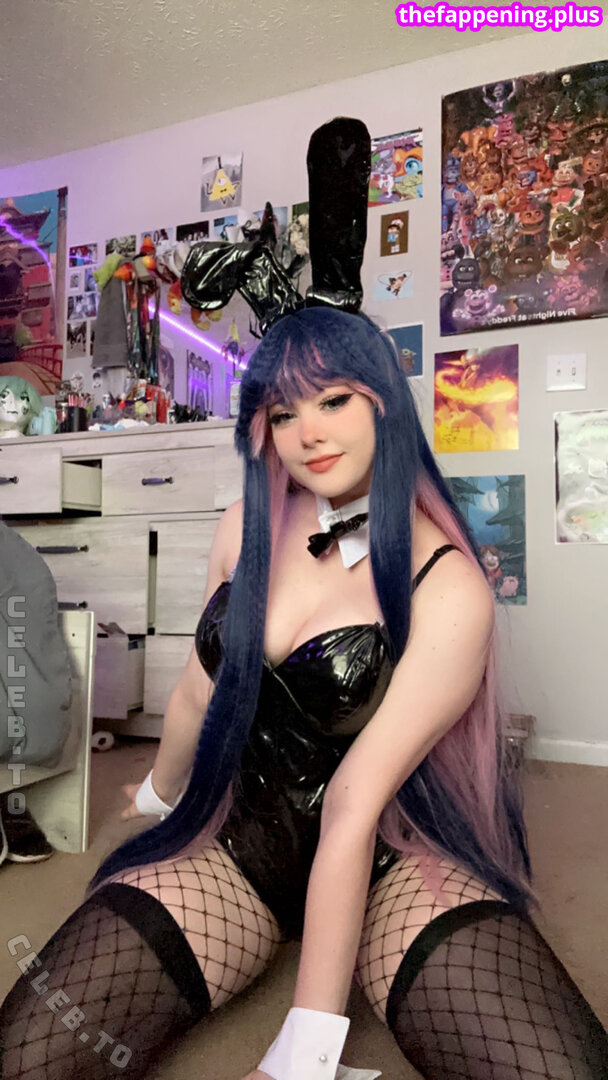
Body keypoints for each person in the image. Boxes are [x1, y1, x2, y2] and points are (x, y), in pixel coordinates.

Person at [0, 307, 606, 1080]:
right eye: (284, 413)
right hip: (239, 852)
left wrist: (305, 1054)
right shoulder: (242, 528)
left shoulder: (449, 586)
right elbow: (198, 692)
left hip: (392, 859)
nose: (308, 433)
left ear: (383, 401)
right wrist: (157, 793)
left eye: (333, 400)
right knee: (26, 1057)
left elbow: (354, 802)